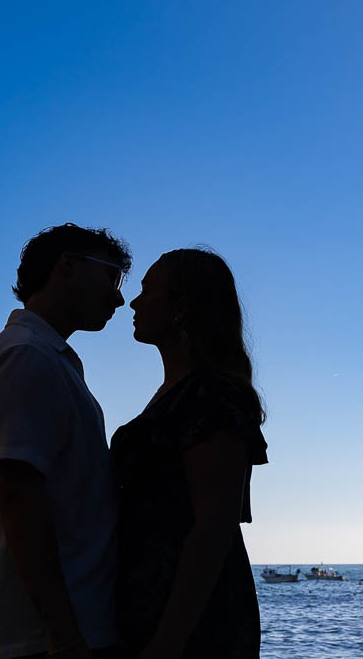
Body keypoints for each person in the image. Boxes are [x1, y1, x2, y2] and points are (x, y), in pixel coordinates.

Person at [0, 224, 131, 659]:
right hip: (47, 640)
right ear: (68, 266)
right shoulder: (27, 356)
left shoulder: (43, 358)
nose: (119, 298)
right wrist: (64, 632)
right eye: (112, 278)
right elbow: (19, 495)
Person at [112, 248, 268, 659]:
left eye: (148, 290)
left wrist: (168, 642)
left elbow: (212, 528)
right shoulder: (180, 395)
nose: (135, 301)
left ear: (182, 306)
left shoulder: (212, 396)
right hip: (153, 605)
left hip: (190, 621)